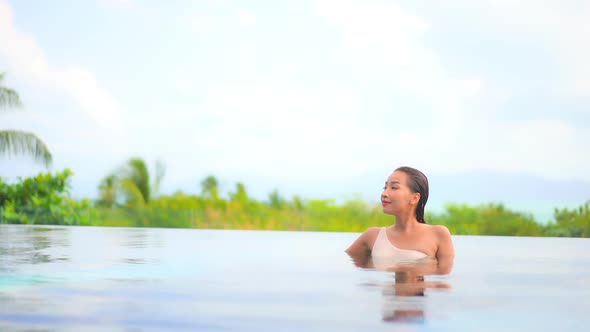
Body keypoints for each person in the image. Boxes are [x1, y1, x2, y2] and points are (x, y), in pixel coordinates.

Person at [345, 166, 454, 274]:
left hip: (418, 289)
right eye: (385, 188)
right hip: (383, 291)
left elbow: (443, 283)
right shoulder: (372, 235)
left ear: (414, 198)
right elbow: (346, 267)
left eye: (394, 187)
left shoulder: (438, 234)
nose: (384, 194)